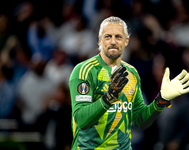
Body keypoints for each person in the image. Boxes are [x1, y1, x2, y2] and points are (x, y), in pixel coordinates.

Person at [68, 16, 189, 150]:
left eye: (118, 37)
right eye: (108, 36)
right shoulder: (83, 71)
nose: (113, 42)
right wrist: (108, 98)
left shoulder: (132, 73)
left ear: (126, 41)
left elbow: (140, 121)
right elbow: (81, 119)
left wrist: (161, 100)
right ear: (99, 40)